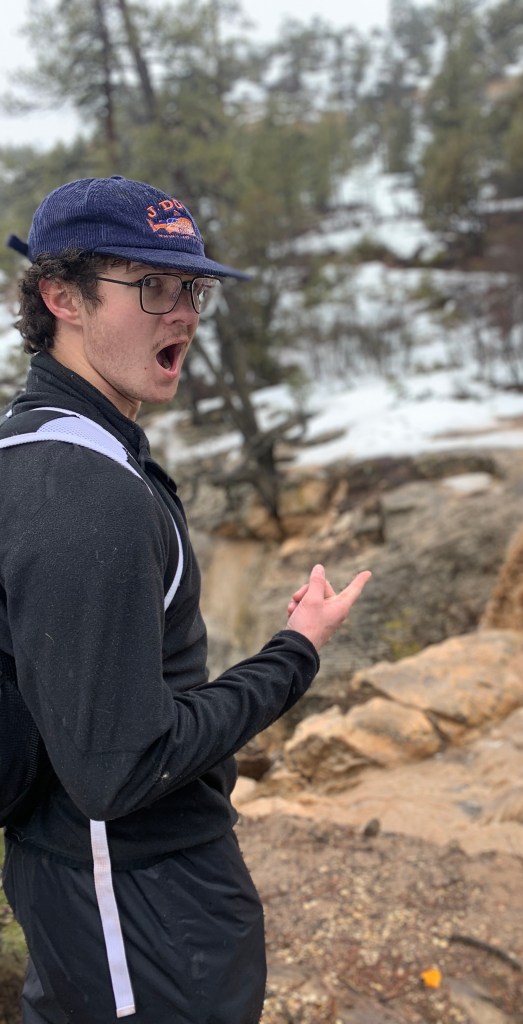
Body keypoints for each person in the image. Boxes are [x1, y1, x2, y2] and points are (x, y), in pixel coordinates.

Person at [0, 175, 371, 1024]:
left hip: (100, 898)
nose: (184, 314)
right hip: (136, 912)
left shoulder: (33, 449)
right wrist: (294, 656)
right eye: (152, 286)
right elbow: (121, 769)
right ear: (62, 296)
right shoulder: (82, 491)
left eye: (192, 289)